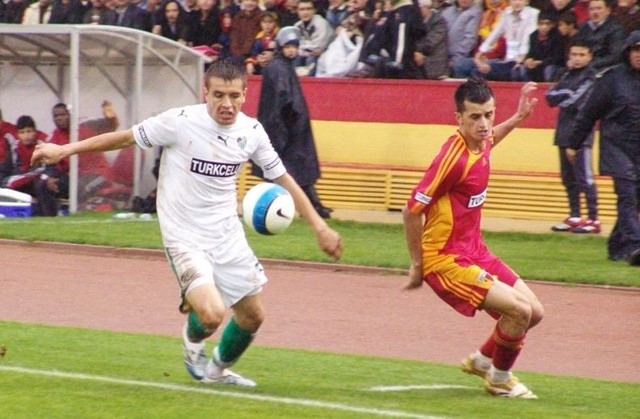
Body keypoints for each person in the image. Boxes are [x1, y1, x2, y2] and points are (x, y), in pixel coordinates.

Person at [31, 60, 343, 386]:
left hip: (227, 234)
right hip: (184, 236)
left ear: (244, 95)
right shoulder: (179, 122)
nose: (226, 104)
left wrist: (320, 227)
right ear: (205, 92)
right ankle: (193, 341)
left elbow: (284, 179)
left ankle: (217, 372)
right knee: (212, 314)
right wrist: (64, 150)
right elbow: (124, 138)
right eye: (218, 95)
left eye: (234, 96)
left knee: (253, 316)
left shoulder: (251, 132)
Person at [402, 79, 543, 398]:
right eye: (475, 117)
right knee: (519, 312)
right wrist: (418, 265)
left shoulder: (481, 140)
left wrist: (518, 118)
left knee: (534, 313)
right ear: (459, 118)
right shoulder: (452, 160)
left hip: (475, 251)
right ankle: (499, 380)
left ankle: (482, 361)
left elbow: (491, 138)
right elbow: (411, 210)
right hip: (446, 260)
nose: (484, 124)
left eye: (489, 115)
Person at [567, 30, 640, 265]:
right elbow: (588, 113)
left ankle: (617, 246)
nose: (639, 55)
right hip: (616, 147)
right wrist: (573, 143)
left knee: (635, 199)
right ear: (627, 52)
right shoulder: (611, 79)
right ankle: (635, 244)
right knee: (627, 195)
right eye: (635, 50)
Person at [252, 27, 333, 219]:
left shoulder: (280, 66)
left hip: (286, 129)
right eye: (288, 46)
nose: (291, 50)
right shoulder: (280, 68)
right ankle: (311, 208)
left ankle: (311, 207)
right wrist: (287, 126)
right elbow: (284, 99)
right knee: (292, 171)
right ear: (281, 46)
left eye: (294, 46)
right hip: (287, 129)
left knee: (285, 172)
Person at [545, 39, 600, 233]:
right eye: (574, 54)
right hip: (563, 132)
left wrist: (563, 94)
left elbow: (575, 102)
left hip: (581, 135)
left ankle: (593, 219)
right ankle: (575, 215)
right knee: (568, 178)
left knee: (585, 178)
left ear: (590, 56)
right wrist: (566, 93)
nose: (577, 59)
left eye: (581, 55)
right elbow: (549, 97)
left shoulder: (591, 78)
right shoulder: (567, 74)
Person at [457, 0, 539, 81]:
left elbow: (527, 39)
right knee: (477, 70)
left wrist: (520, 61)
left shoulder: (533, 14)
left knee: (518, 72)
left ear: (527, 1)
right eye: (514, 0)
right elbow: (495, 33)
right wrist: (479, 54)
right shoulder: (507, 13)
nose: (517, 2)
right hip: (510, 60)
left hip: (526, 58)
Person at [574, 0, 625, 71]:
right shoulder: (583, 27)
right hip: (583, 65)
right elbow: (577, 47)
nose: (595, 12)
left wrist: (589, 64)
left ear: (608, 10)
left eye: (599, 8)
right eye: (592, 9)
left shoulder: (616, 29)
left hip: (604, 68)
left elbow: (616, 56)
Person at [516, 12, 565, 81]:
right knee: (523, 68)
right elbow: (531, 52)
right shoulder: (533, 36)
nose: (544, 27)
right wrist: (529, 59)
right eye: (541, 24)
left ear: (553, 25)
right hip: (536, 64)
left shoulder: (558, 36)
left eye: (547, 24)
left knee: (549, 70)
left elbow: (557, 57)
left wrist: (540, 62)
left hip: (551, 64)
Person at [441, 0, 483, 78]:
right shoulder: (446, 12)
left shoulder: (475, 12)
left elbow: (470, 39)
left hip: (461, 58)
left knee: (459, 68)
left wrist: (456, 58)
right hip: (442, 56)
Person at [293, 0, 334, 76]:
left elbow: (317, 47)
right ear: (297, 11)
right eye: (302, 9)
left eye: (308, 9)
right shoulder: (297, 26)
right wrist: (302, 49)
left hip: (326, 54)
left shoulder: (321, 23)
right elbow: (295, 46)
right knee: (294, 58)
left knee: (310, 58)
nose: (305, 12)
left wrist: (302, 48)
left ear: (314, 11)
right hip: (305, 54)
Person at [414, 0, 449, 79]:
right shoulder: (416, 22)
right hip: (418, 58)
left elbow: (429, 43)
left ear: (426, 7)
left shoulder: (439, 22)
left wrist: (413, 51)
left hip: (434, 62)